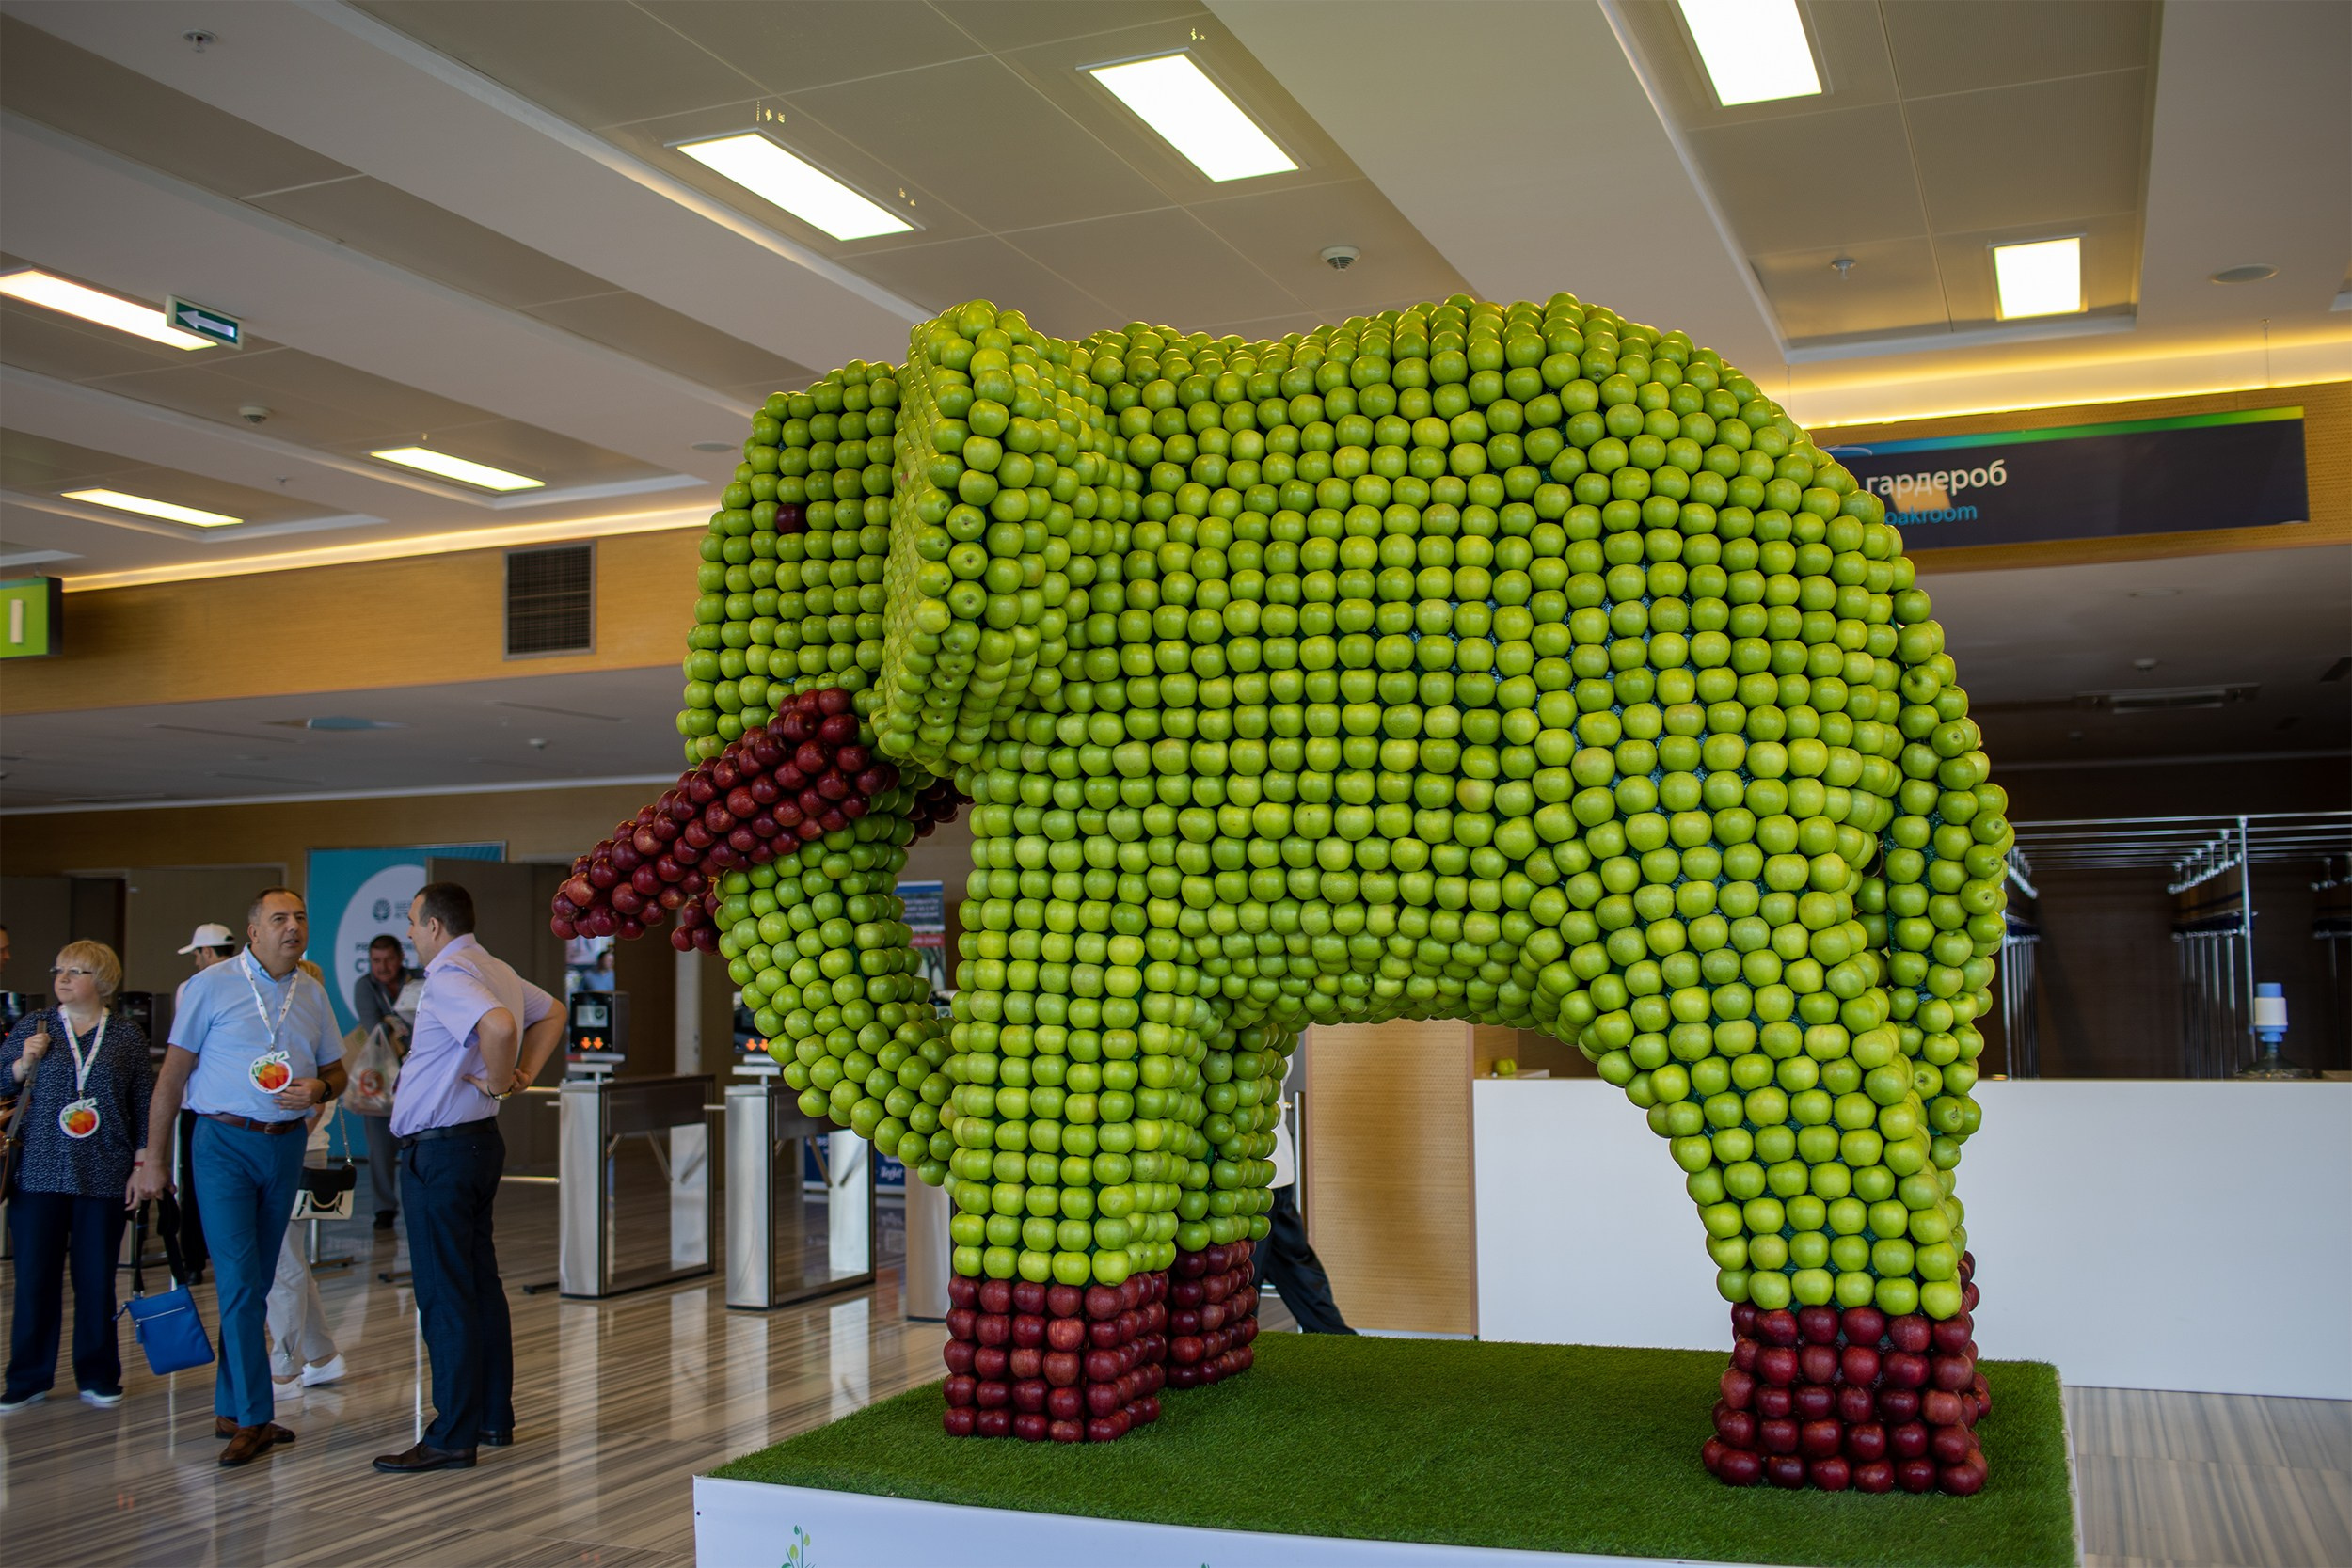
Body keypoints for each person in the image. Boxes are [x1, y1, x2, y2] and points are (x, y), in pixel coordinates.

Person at [133, 890, 344, 1468]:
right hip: (222, 1141)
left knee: (253, 1281)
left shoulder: (313, 994)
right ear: (253, 932)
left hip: (284, 1144)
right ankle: (254, 1416)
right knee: (239, 1283)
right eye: (279, 919)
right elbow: (173, 1078)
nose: (293, 927)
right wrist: (151, 1159)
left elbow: (336, 1070)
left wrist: (321, 1090)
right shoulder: (210, 985)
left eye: (300, 917)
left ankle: (232, 1404)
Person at [372, 883, 563, 1473]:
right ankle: (489, 1418)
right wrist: (522, 1072)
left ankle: (452, 1435)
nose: (408, 933)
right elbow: (551, 1010)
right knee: (479, 1283)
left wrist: (506, 1078)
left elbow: (502, 1027)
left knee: (444, 1291)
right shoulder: (494, 966)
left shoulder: (452, 976)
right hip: (477, 1145)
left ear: (433, 925)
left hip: (443, 1153)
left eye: (410, 922)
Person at [0, 942, 154, 1412]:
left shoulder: (126, 1036)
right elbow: (1, 1082)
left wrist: (144, 1164)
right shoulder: (33, 1025)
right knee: (34, 1280)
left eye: (77, 971)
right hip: (39, 1175)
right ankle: (27, 1377)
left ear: (103, 981)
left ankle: (98, 1373)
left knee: (96, 1280)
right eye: (59, 970)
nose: (63, 979)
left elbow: (144, 1104)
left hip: (103, 1174)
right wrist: (23, 1063)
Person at [1252, 1087, 1356, 1336]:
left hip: (1254, 1178)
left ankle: (1235, 1352)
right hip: (1274, 1172)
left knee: (1241, 1280)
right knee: (1296, 1268)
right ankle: (1338, 1339)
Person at [172, 923, 240, 1283]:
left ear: (208, 952)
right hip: (234, 1107)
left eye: (197, 953)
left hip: (196, 1104)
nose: (197, 961)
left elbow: (185, 1048)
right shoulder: (246, 981)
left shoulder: (192, 987)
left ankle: (193, 1259)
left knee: (194, 1181)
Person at [350, 935, 410, 1233]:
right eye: (376, 961)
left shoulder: (419, 980)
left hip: (418, 1077)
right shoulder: (365, 986)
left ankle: (416, 1203)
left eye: (388, 960)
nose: (382, 967)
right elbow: (376, 1028)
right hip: (382, 1077)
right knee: (380, 1148)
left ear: (400, 958)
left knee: (418, 1146)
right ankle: (383, 1209)